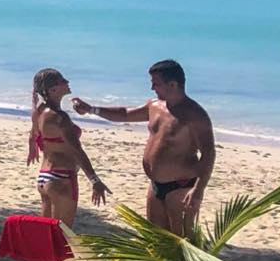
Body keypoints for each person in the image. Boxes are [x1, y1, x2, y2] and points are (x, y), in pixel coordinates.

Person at [77, 59, 215, 234]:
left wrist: (199, 190)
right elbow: (125, 114)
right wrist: (91, 109)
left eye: (156, 84)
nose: (152, 88)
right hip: (156, 185)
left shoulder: (194, 115)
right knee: (154, 239)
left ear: (172, 84)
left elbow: (208, 154)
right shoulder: (155, 106)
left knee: (181, 243)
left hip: (181, 187)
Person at [27, 67, 109, 261]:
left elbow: (34, 134)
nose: (68, 82)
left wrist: (32, 148)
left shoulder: (40, 111)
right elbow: (77, 151)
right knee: (61, 236)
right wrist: (95, 179)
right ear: (53, 89)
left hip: (44, 177)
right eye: (63, 81)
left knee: (47, 232)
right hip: (62, 178)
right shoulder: (60, 118)